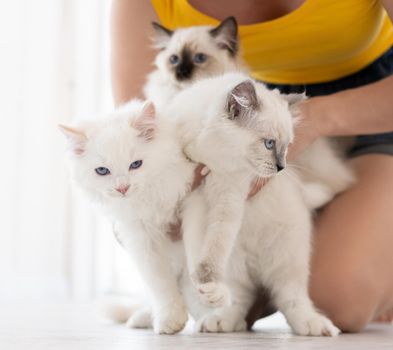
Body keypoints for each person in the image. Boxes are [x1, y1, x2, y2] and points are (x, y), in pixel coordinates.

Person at [110, 0, 393, 332]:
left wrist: (315, 118)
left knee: (338, 301)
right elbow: (139, 135)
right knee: (219, 298)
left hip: (369, 112)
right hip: (236, 125)